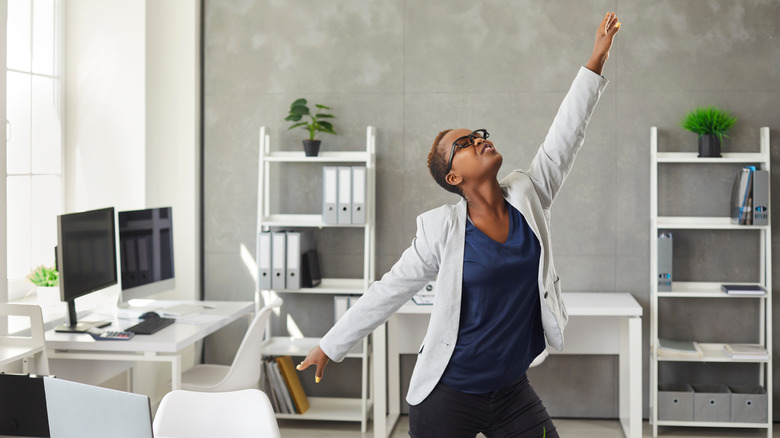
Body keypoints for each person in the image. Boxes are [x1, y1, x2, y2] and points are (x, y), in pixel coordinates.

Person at [297, 11, 621, 438]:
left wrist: (596, 57)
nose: (480, 140)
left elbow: (565, 136)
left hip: (511, 393)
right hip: (447, 397)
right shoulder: (441, 230)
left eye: (477, 134)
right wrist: (330, 345)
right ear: (454, 178)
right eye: (464, 144)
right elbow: (388, 290)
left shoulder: (529, 194)